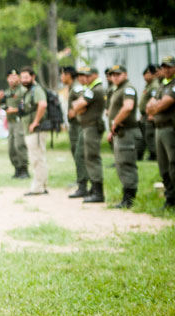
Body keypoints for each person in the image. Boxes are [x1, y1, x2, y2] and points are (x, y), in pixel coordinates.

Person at [105, 65, 140, 208]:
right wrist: (112, 131)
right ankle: (126, 196)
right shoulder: (117, 89)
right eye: (112, 75)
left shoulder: (128, 88)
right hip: (119, 133)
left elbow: (128, 107)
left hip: (127, 132)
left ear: (125, 74)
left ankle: (130, 198)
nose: (114, 77)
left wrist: (115, 122)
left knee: (126, 164)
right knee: (120, 164)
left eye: (118, 74)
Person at [70, 66, 106, 203]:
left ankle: (98, 192)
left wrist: (77, 105)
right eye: (81, 75)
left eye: (87, 75)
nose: (84, 78)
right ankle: (93, 188)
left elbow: (78, 106)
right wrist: (78, 105)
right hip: (88, 126)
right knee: (87, 156)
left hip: (92, 127)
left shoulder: (94, 90)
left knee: (92, 157)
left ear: (95, 75)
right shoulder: (90, 89)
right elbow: (79, 106)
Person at [145, 56, 175, 209]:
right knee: (163, 166)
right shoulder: (162, 86)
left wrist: (155, 106)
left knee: (173, 164)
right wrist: (155, 105)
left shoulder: (173, 85)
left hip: (170, 129)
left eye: (169, 67)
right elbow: (149, 106)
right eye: (164, 67)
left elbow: (165, 103)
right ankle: (170, 198)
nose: (166, 69)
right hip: (159, 128)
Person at [0, 69, 29, 179]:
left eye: (14, 77)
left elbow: (26, 107)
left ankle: (24, 169)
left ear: (18, 78)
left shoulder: (23, 90)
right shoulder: (7, 92)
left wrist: (14, 110)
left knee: (19, 145)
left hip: (20, 121)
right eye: (10, 77)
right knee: (11, 148)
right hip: (10, 123)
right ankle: (17, 169)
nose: (12, 79)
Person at [60, 66, 90, 197]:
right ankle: (81, 180)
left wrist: (75, 111)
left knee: (80, 155)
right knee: (77, 154)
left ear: (68, 75)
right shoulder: (72, 87)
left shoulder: (77, 87)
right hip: (74, 126)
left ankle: (83, 184)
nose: (61, 78)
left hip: (78, 125)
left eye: (62, 75)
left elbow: (84, 101)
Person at [19, 68, 49, 196]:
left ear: (33, 76)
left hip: (36, 130)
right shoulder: (28, 91)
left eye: (26, 77)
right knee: (36, 158)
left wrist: (35, 122)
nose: (24, 80)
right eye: (22, 78)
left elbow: (42, 105)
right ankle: (41, 185)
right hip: (30, 131)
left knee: (37, 158)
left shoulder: (36, 90)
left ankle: (38, 187)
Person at [140, 64, 160, 161]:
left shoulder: (154, 85)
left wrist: (151, 114)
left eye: (148, 74)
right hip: (145, 114)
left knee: (150, 135)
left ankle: (155, 155)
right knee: (145, 136)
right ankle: (151, 154)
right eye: (144, 74)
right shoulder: (148, 85)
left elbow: (154, 100)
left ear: (153, 74)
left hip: (150, 115)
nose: (145, 76)